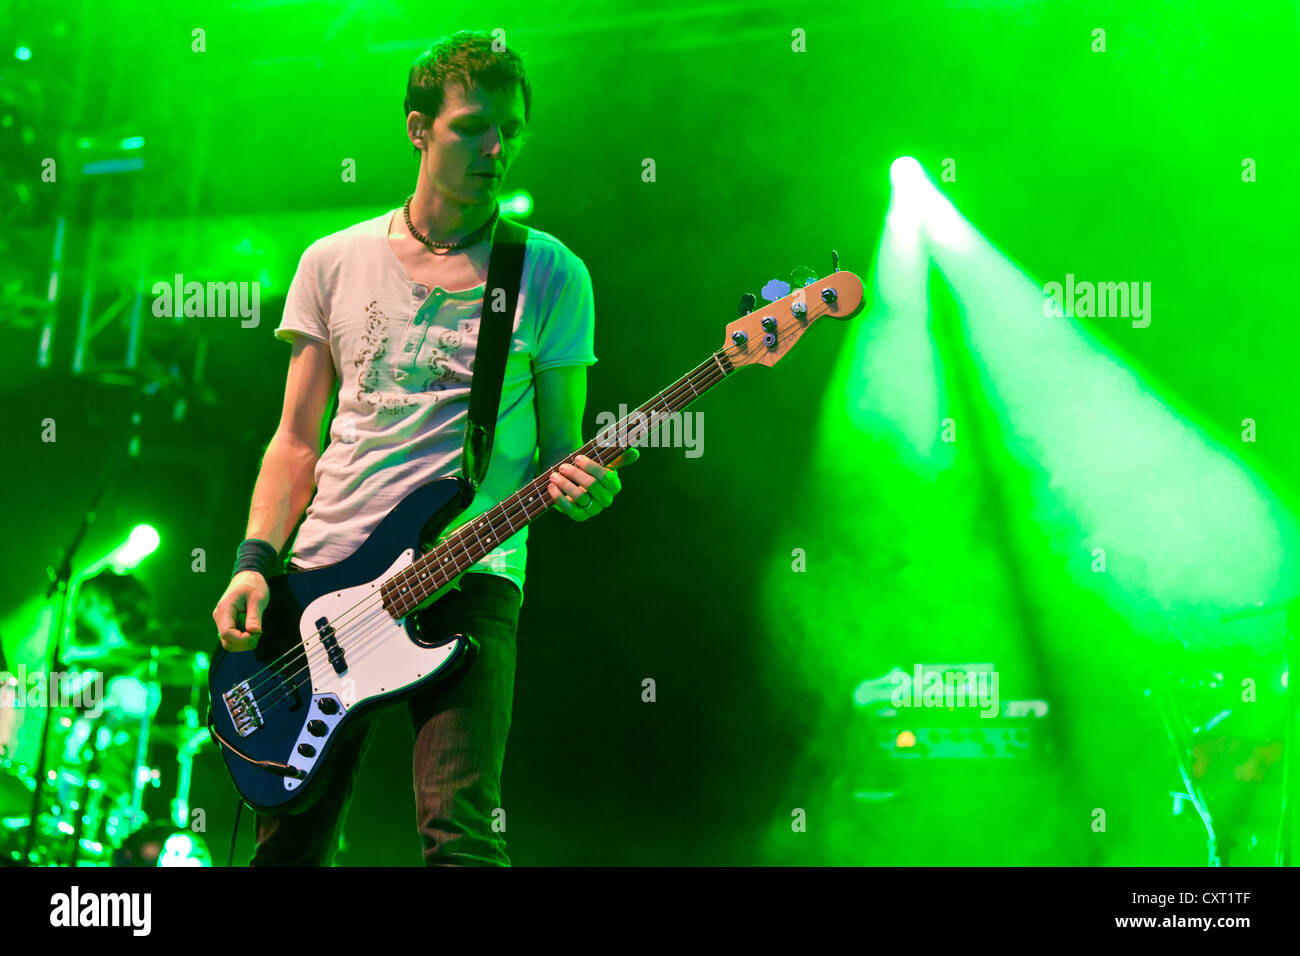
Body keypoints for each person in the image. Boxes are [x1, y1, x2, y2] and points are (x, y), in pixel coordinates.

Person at [211, 31, 637, 867]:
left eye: (510, 129)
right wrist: (255, 560)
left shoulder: (550, 273)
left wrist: (584, 484)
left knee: (461, 835)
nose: (496, 147)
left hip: (470, 575)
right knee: (288, 845)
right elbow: (296, 440)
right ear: (418, 129)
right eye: (473, 126)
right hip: (326, 580)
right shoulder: (332, 260)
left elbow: (562, 450)